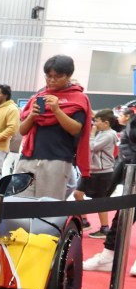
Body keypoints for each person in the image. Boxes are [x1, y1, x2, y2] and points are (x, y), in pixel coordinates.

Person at [16, 55, 92, 200]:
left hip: (57, 159)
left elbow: (76, 129)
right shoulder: (38, 97)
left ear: (68, 76)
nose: (51, 80)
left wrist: (57, 110)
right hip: (28, 157)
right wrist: (32, 115)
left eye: (57, 76)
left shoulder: (78, 98)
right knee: (19, 202)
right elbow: (23, 130)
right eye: (48, 76)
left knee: (48, 207)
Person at [84, 113, 136, 272]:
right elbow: (127, 140)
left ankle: (108, 256)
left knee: (123, 215)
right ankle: (108, 256)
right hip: (130, 169)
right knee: (122, 216)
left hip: (123, 168)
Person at [80, 108, 118, 237]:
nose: (94, 124)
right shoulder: (102, 132)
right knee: (77, 193)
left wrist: (91, 134)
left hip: (103, 172)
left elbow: (92, 147)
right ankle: (84, 221)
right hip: (92, 170)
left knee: (100, 201)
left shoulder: (109, 135)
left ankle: (104, 228)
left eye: (97, 121)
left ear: (106, 123)